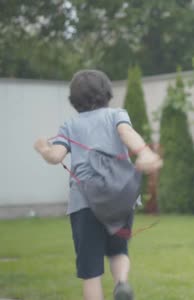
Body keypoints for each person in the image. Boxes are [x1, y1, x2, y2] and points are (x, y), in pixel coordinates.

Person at [33, 69, 162, 300]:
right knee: (118, 250)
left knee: (90, 270)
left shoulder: (70, 126)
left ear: (74, 100)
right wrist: (144, 152)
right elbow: (127, 133)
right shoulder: (116, 115)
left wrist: (43, 147)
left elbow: (55, 157)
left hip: (85, 203)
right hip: (120, 199)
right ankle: (121, 282)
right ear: (107, 93)